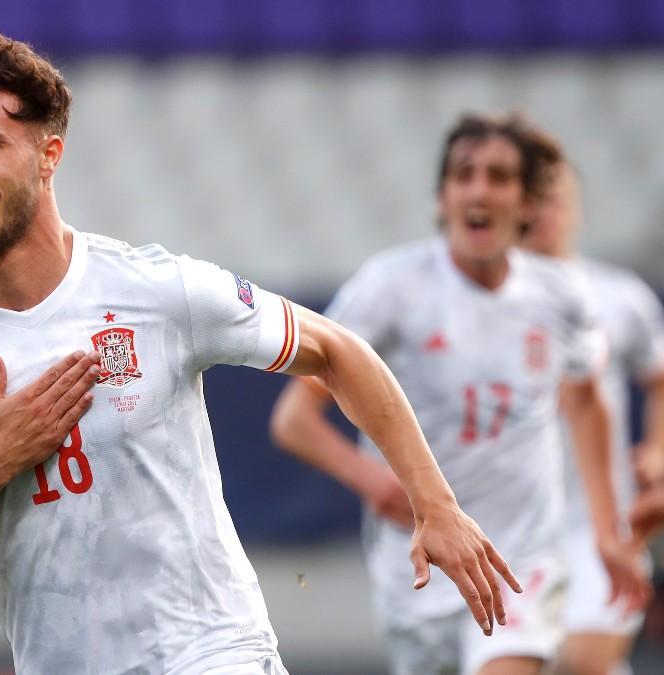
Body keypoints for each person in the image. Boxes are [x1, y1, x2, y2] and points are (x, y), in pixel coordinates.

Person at [0, 28, 520, 674]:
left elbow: (337, 350)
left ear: (49, 155)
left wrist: (436, 504)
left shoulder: (156, 290)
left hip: (209, 649)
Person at [269, 113, 651, 675]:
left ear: (526, 204)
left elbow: (587, 401)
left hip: (522, 560)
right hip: (420, 566)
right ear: (442, 197)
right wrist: (372, 480)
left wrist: (606, 532)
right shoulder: (389, 288)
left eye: (498, 176)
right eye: (464, 174)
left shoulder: (560, 297)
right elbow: (294, 420)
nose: (478, 189)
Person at [520, 160, 664, 674]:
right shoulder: (482, 299)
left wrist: (656, 447)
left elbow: (658, 378)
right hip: (508, 527)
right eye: (530, 198)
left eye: (553, 197)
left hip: (598, 523)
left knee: (583, 660)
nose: (541, 211)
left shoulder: (619, 297)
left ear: (574, 207)